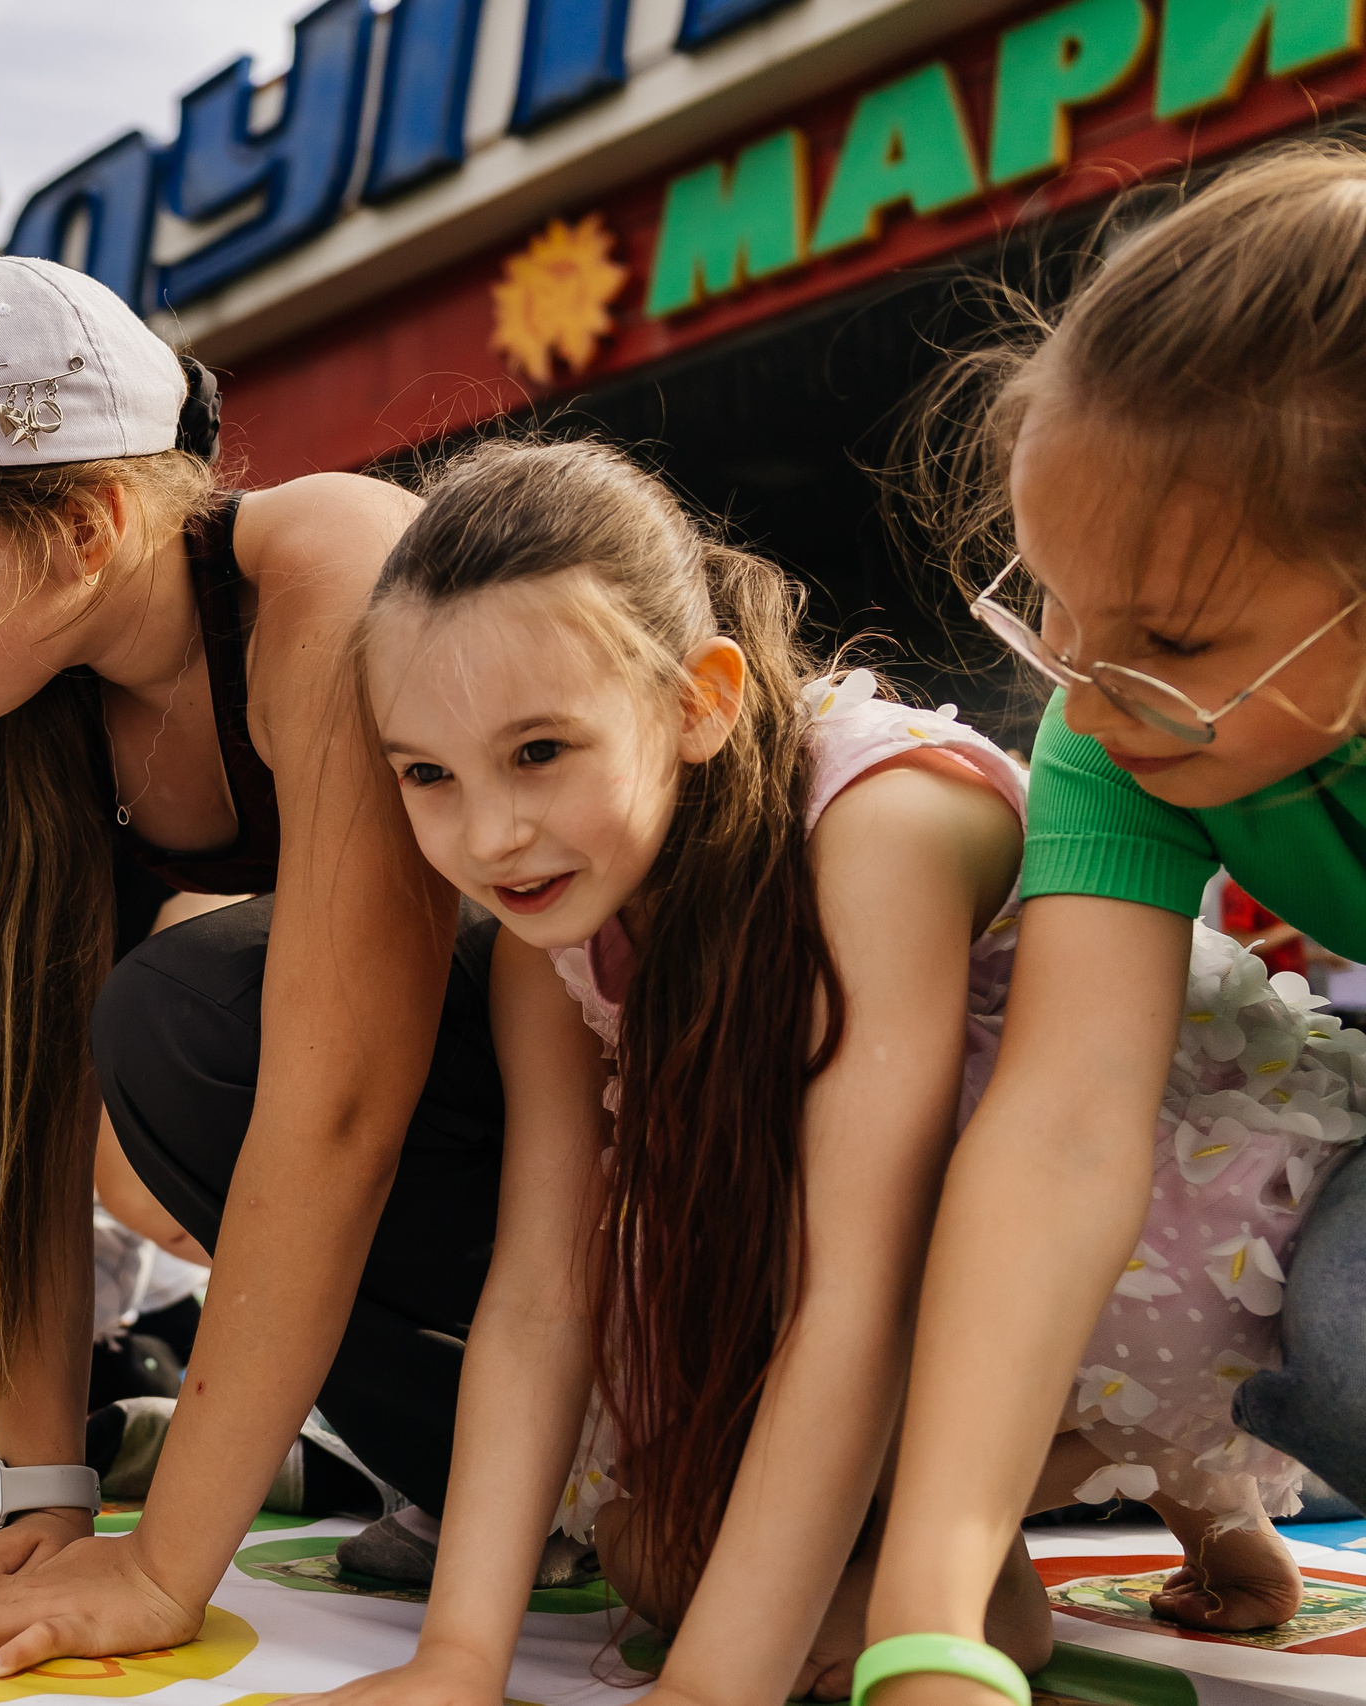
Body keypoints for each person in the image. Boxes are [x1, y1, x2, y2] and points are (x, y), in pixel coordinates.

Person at [0, 247, 485, 1676]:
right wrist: (49, 1503)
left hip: (669, 1116)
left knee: (187, 1016)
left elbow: (344, 1098)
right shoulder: (37, 707)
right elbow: (24, 1127)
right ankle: (506, 1468)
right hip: (493, 1156)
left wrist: (164, 1568)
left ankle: (613, 1430)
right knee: (138, 1038)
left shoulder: (331, 564)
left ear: (89, 521)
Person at [284, 439, 1043, 1704]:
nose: (488, 834)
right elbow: (540, 1293)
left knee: (722, 1617)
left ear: (701, 699)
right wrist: (460, 1656)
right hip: (823, 1262)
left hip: (1067, 1246)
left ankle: (976, 1551)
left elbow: (856, 1280)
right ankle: (962, 1578)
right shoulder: (551, 929)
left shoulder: (878, 822)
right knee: (654, 1558)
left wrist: (707, 1689)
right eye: (427, 772)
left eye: (539, 751)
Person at [861, 146, 1366, 1706]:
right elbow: (1062, 1130)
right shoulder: (1120, 721)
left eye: (1171, 638)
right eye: (1055, 607)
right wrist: (929, 1616)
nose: (1081, 692)